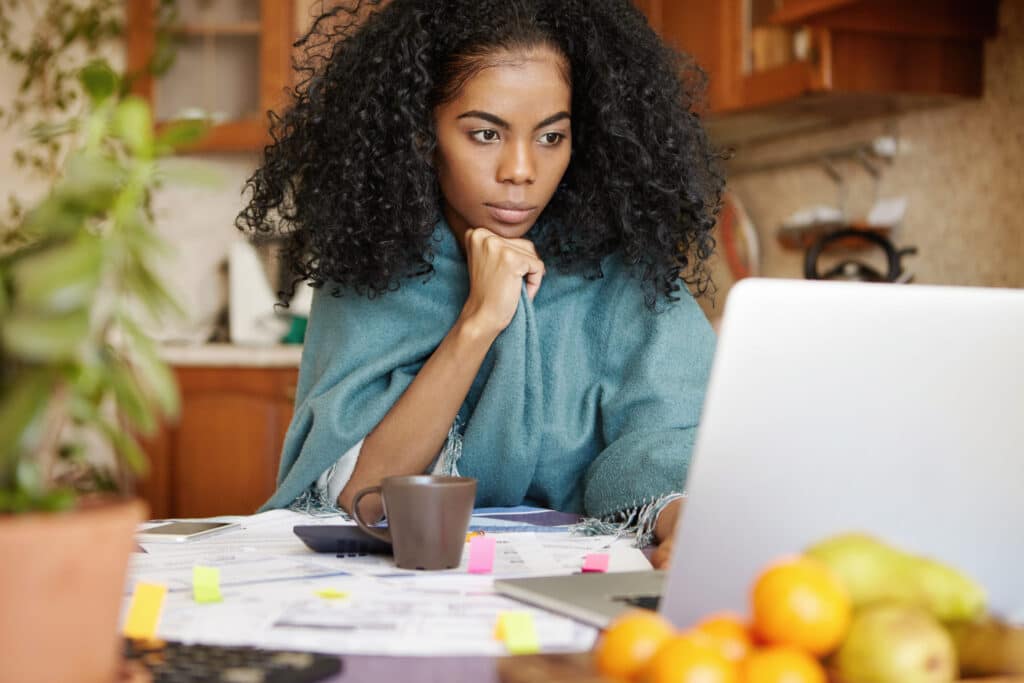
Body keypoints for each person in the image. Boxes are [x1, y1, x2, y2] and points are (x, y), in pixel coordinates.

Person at [237, 0, 723, 568]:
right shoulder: (370, 269)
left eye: (550, 137)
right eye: (486, 134)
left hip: (569, 592)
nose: (520, 169)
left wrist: (681, 520)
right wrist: (479, 321)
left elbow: (668, 443)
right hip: (395, 593)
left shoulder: (621, 276)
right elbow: (356, 498)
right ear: (422, 135)